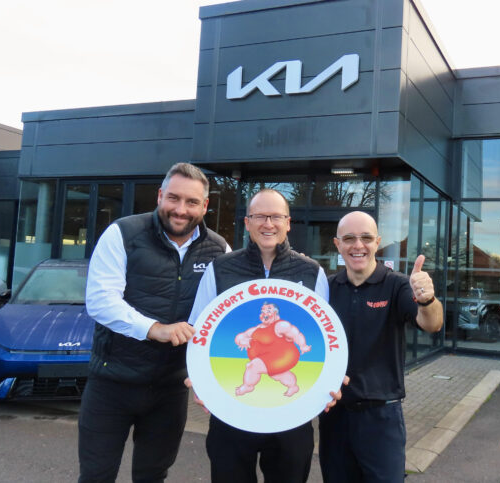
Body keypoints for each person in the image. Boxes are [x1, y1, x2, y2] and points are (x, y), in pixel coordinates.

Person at [78, 162, 229, 482]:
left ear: (205, 206)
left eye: (191, 202)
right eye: (173, 198)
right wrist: (153, 328)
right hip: (111, 383)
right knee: (96, 476)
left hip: (169, 389)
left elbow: (228, 314)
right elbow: (101, 300)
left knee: (153, 476)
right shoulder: (122, 233)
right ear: (160, 196)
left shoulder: (219, 249)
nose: (181, 210)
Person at [187, 188, 330, 483]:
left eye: (276, 217)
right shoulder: (221, 269)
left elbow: (326, 338)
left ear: (288, 223)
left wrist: (326, 382)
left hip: (291, 415)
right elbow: (199, 330)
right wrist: (200, 381)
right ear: (247, 222)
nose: (268, 224)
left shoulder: (311, 272)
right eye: (260, 216)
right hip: (231, 412)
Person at [319, 211, 443, 483]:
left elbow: (432, 323)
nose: (358, 245)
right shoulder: (325, 289)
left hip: (381, 417)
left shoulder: (397, 285)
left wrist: (427, 300)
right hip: (334, 416)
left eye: (366, 238)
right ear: (337, 244)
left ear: (377, 242)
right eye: (349, 238)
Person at [234, 301, 311, 397]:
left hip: (283, 355)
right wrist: (241, 340)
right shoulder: (257, 328)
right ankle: (293, 386)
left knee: (252, 366)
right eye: (262, 311)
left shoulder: (280, 325)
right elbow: (242, 335)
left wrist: (303, 345)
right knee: (277, 374)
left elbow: (295, 334)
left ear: (276, 313)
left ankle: (248, 386)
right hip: (267, 357)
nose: (264, 313)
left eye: (268, 310)